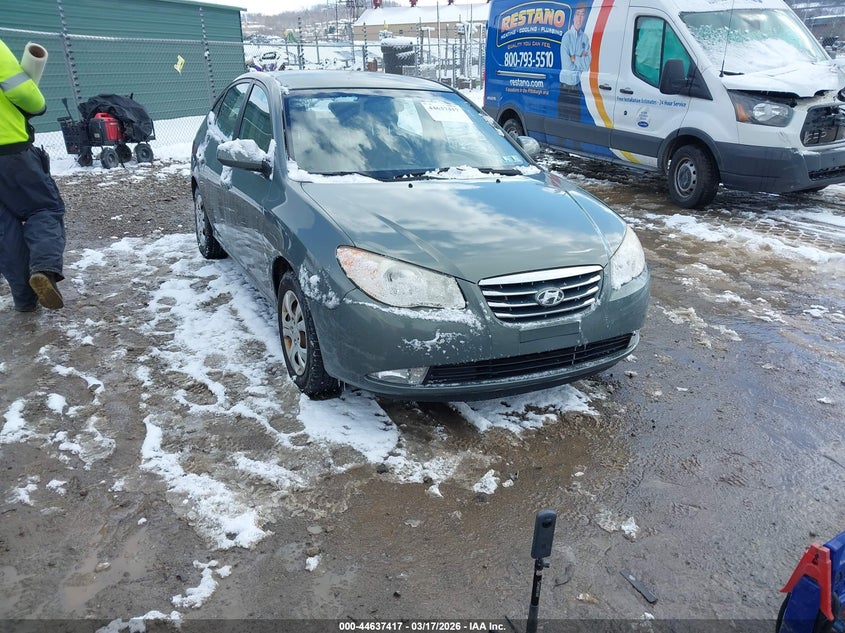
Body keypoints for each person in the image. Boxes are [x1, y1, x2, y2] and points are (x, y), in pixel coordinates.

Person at [0, 37, 66, 311]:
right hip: (10, 151)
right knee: (44, 209)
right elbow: (27, 96)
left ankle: (25, 300)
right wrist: (36, 104)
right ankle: (44, 270)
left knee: (4, 230)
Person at [558, 2, 591, 120]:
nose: (580, 17)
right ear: (573, 17)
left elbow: (587, 64)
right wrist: (580, 58)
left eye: (583, 14)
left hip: (576, 89)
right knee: (562, 128)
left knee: (576, 121)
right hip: (565, 89)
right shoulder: (567, 37)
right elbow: (567, 65)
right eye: (578, 14)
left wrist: (574, 58)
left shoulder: (585, 38)